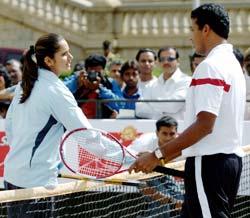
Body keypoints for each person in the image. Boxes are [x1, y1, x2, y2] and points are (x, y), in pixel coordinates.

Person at [129, 3, 245, 218]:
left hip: (209, 164)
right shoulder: (232, 65)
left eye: (192, 29)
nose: (191, 36)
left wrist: (157, 155)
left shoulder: (210, 66)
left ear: (206, 29)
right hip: (223, 162)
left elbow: (204, 126)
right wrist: (161, 157)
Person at [4, 33, 92, 190]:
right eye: (64, 54)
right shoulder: (56, 91)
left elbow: (9, 127)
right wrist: (124, 159)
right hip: (35, 183)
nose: (70, 57)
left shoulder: (25, 84)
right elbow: (86, 134)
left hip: (12, 175)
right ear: (48, 61)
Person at [136, 46, 191, 120]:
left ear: (178, 61)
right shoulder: (152, 84)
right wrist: (164, 109)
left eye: (170, 59)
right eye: (162, 59)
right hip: (154, 130)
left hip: (179, 130)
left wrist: (151, 104)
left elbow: (173, 106)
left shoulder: (186, 81)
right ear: (158, 62)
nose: (166, 62)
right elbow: (139, 108)